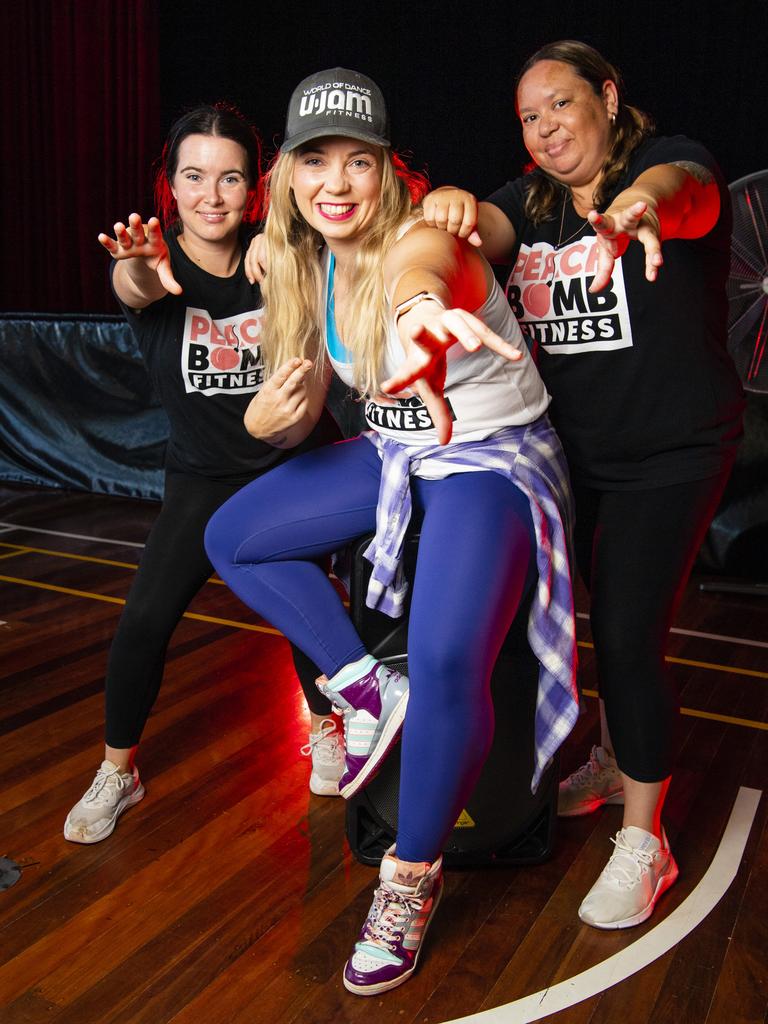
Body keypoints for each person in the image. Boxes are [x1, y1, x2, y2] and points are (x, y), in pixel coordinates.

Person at [204, 67, 578, 996]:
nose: (336, 183)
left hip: (490, 459)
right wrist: (268, 424)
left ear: (390, 171)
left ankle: (407, 880)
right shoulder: (296, 260)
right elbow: (299, 418)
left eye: (358, 162)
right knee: (235, 535)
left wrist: (417, 310)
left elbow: (427, 275)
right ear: (286, 175)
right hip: (397, 451)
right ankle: (366, 689)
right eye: (314, 161)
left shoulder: (427, 235)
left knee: (450, 660)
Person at [423, 40, 744, 930]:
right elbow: (473, 237)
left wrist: (645, 204)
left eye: (561, 105)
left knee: (631, 632)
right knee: (594, 618)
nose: (546, 130)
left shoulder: (662, 164)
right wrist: (447, 218)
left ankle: (647, 842)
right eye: (529, 117)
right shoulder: (524, 207)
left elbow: (692, 193)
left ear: (607, 96)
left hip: (674, 451)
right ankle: (609, 754)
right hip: (576, 456)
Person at [64, 104, 345, 846]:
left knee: (305, 614)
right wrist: (136, 267)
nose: (211, 195)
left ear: (254, 189)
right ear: (171, 186)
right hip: (200, 478)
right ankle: (118, 770)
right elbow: (134, 286)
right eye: (194, 177)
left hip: (289, 468)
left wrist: (284, 245)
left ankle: (326, 728)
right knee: (144, 622)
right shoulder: (158, 268)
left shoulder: (279, 253)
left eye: (229, 179)